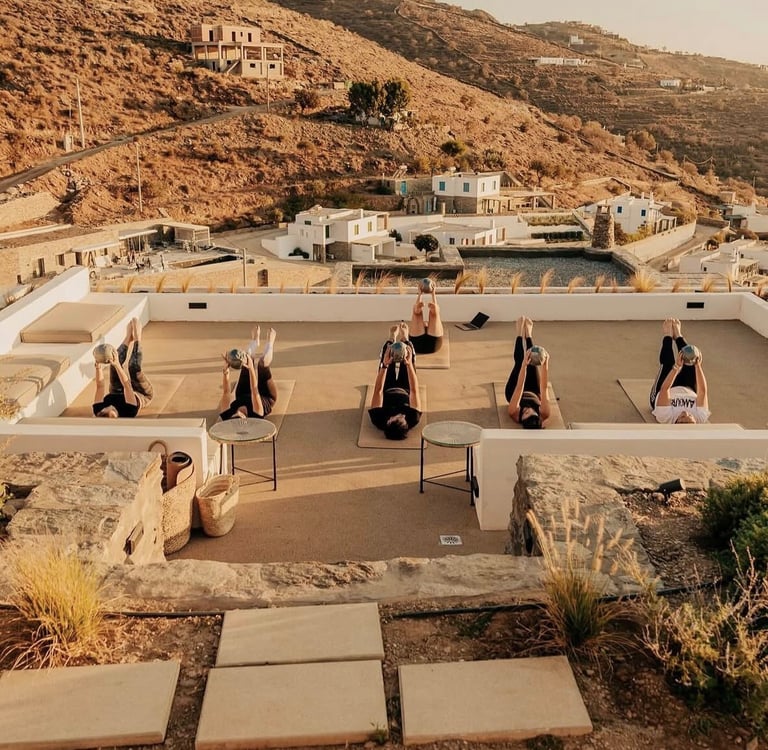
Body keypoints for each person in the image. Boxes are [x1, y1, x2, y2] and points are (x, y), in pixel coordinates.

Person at [649, 318, 710, 424]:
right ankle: (678, 336)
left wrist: (676, 367)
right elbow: (702, 391)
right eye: (690, 415)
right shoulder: (701, 418)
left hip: (665, 390)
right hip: (688, 387)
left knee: (667, 364)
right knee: (690, 360)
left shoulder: (665, 417)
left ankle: (667, 335)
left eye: (682, 416)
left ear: (676, 421)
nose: (685, 412)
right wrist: (697, 365)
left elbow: (665, 389)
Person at [92, 318, 154, 418]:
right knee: (133, 367)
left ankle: (127, 339)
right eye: (113, 408)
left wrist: (98, 367)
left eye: (107, 407)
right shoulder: (129, 411)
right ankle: (137, 339)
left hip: (116, 391)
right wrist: (117, 364)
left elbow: (100, 386)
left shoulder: (98, 410)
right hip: (140, 393)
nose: (111, 405)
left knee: (113, 365)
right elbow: (127, 385)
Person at [369, 331, 422, 440]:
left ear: (388, 422)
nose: (403, 415)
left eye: (398, 418)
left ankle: (392, 337)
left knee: (387, 353)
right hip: (406, 390)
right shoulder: (413, 419)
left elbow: (378, 390)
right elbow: (414, 391)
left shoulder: (378, 419)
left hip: (387, 388)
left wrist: (384, 365)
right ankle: (404, 337)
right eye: (404, 419)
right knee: (408, 351)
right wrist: (410, 365)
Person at [218, 326, 278, 420]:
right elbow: (255, 391)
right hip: (266, 396)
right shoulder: (256, 414)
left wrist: (225, 371)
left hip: (242, 394)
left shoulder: (226, 415)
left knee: (245, 360)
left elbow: (226, 392)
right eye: (240, 416)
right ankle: (270, 343)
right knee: (262, 364)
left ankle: (254, 341)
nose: (237, 413)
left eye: (234, 415)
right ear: (245, 418)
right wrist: (251, 369)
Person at [504, 316, 551, 429]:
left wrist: (524, 366)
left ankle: (520, 333)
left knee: (520, 361)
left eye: (525, 413)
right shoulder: (545, 413)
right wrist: (545, 364)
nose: (527, 409)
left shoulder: (514, 412)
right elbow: (544, 388)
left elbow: (519, 387)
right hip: (534, 391)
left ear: (521, 418)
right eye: (531, 412)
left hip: (514, 391)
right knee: (533, 362)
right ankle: (529, 335)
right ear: (538, 415)